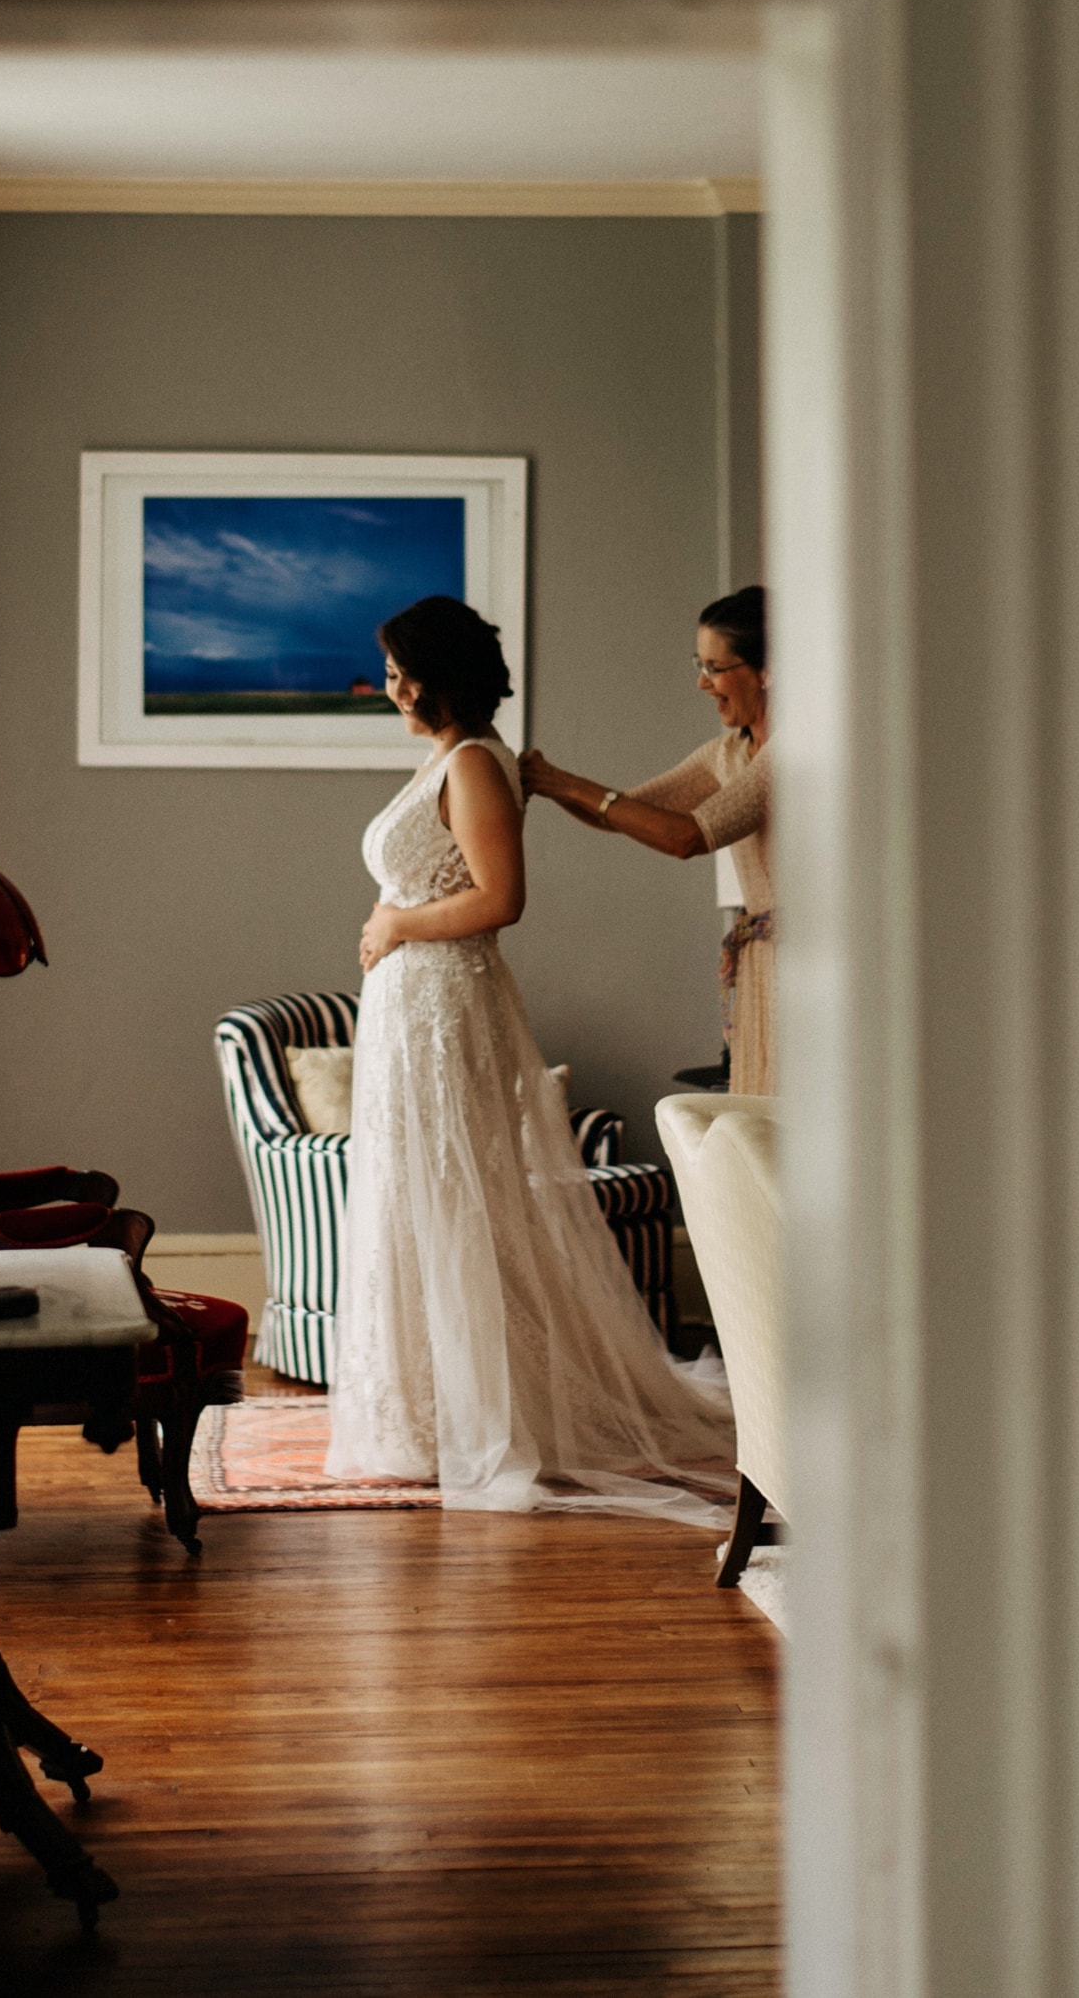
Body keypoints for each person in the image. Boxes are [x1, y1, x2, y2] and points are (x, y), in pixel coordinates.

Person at [324, 594, 734, 1518]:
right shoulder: (446, 759)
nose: (388, 688)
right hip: (409, 1005)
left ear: (433, 676)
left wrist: (394, 921)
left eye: (397, 672)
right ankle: (425, 1411)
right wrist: (392, 932)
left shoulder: (473, 765)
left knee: (453, 1192)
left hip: (443, 1004)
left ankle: (477, 1416)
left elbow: (500, 899)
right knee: (412, 1192)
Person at [519, 585, 773, 1097]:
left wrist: (562, 783)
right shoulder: (726, 752)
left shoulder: (796, 750)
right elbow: (624, 814)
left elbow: (685, 838)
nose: (702, 683)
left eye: (715, 667)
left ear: (768, 670)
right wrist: (544, 783)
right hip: (765, 966)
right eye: (697, 665)